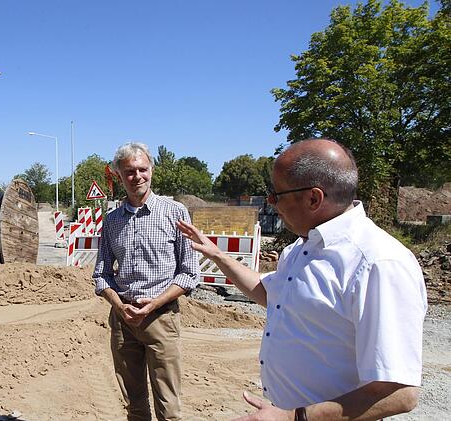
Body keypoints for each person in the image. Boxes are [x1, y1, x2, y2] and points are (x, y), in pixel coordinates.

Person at [177, 139, 427, 421]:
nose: (270, 202)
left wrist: (292, 417)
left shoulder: (378, 263)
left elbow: (399, 392)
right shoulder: (300, 249)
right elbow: (270, 294)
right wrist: (218, 256)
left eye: (276, 193)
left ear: (313, 198)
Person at [93, 142, 198, 421]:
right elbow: (101, 275)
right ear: (119, 175)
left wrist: (153, 305)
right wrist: (119, 306)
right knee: (134, 405)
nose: (137, 176)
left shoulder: (175, 213)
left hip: (161, 319)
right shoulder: (111, 221)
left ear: (151, 170)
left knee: (168, 407)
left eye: (142, 169)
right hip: (123, 320)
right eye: (129, 171)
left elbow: (189, 273)